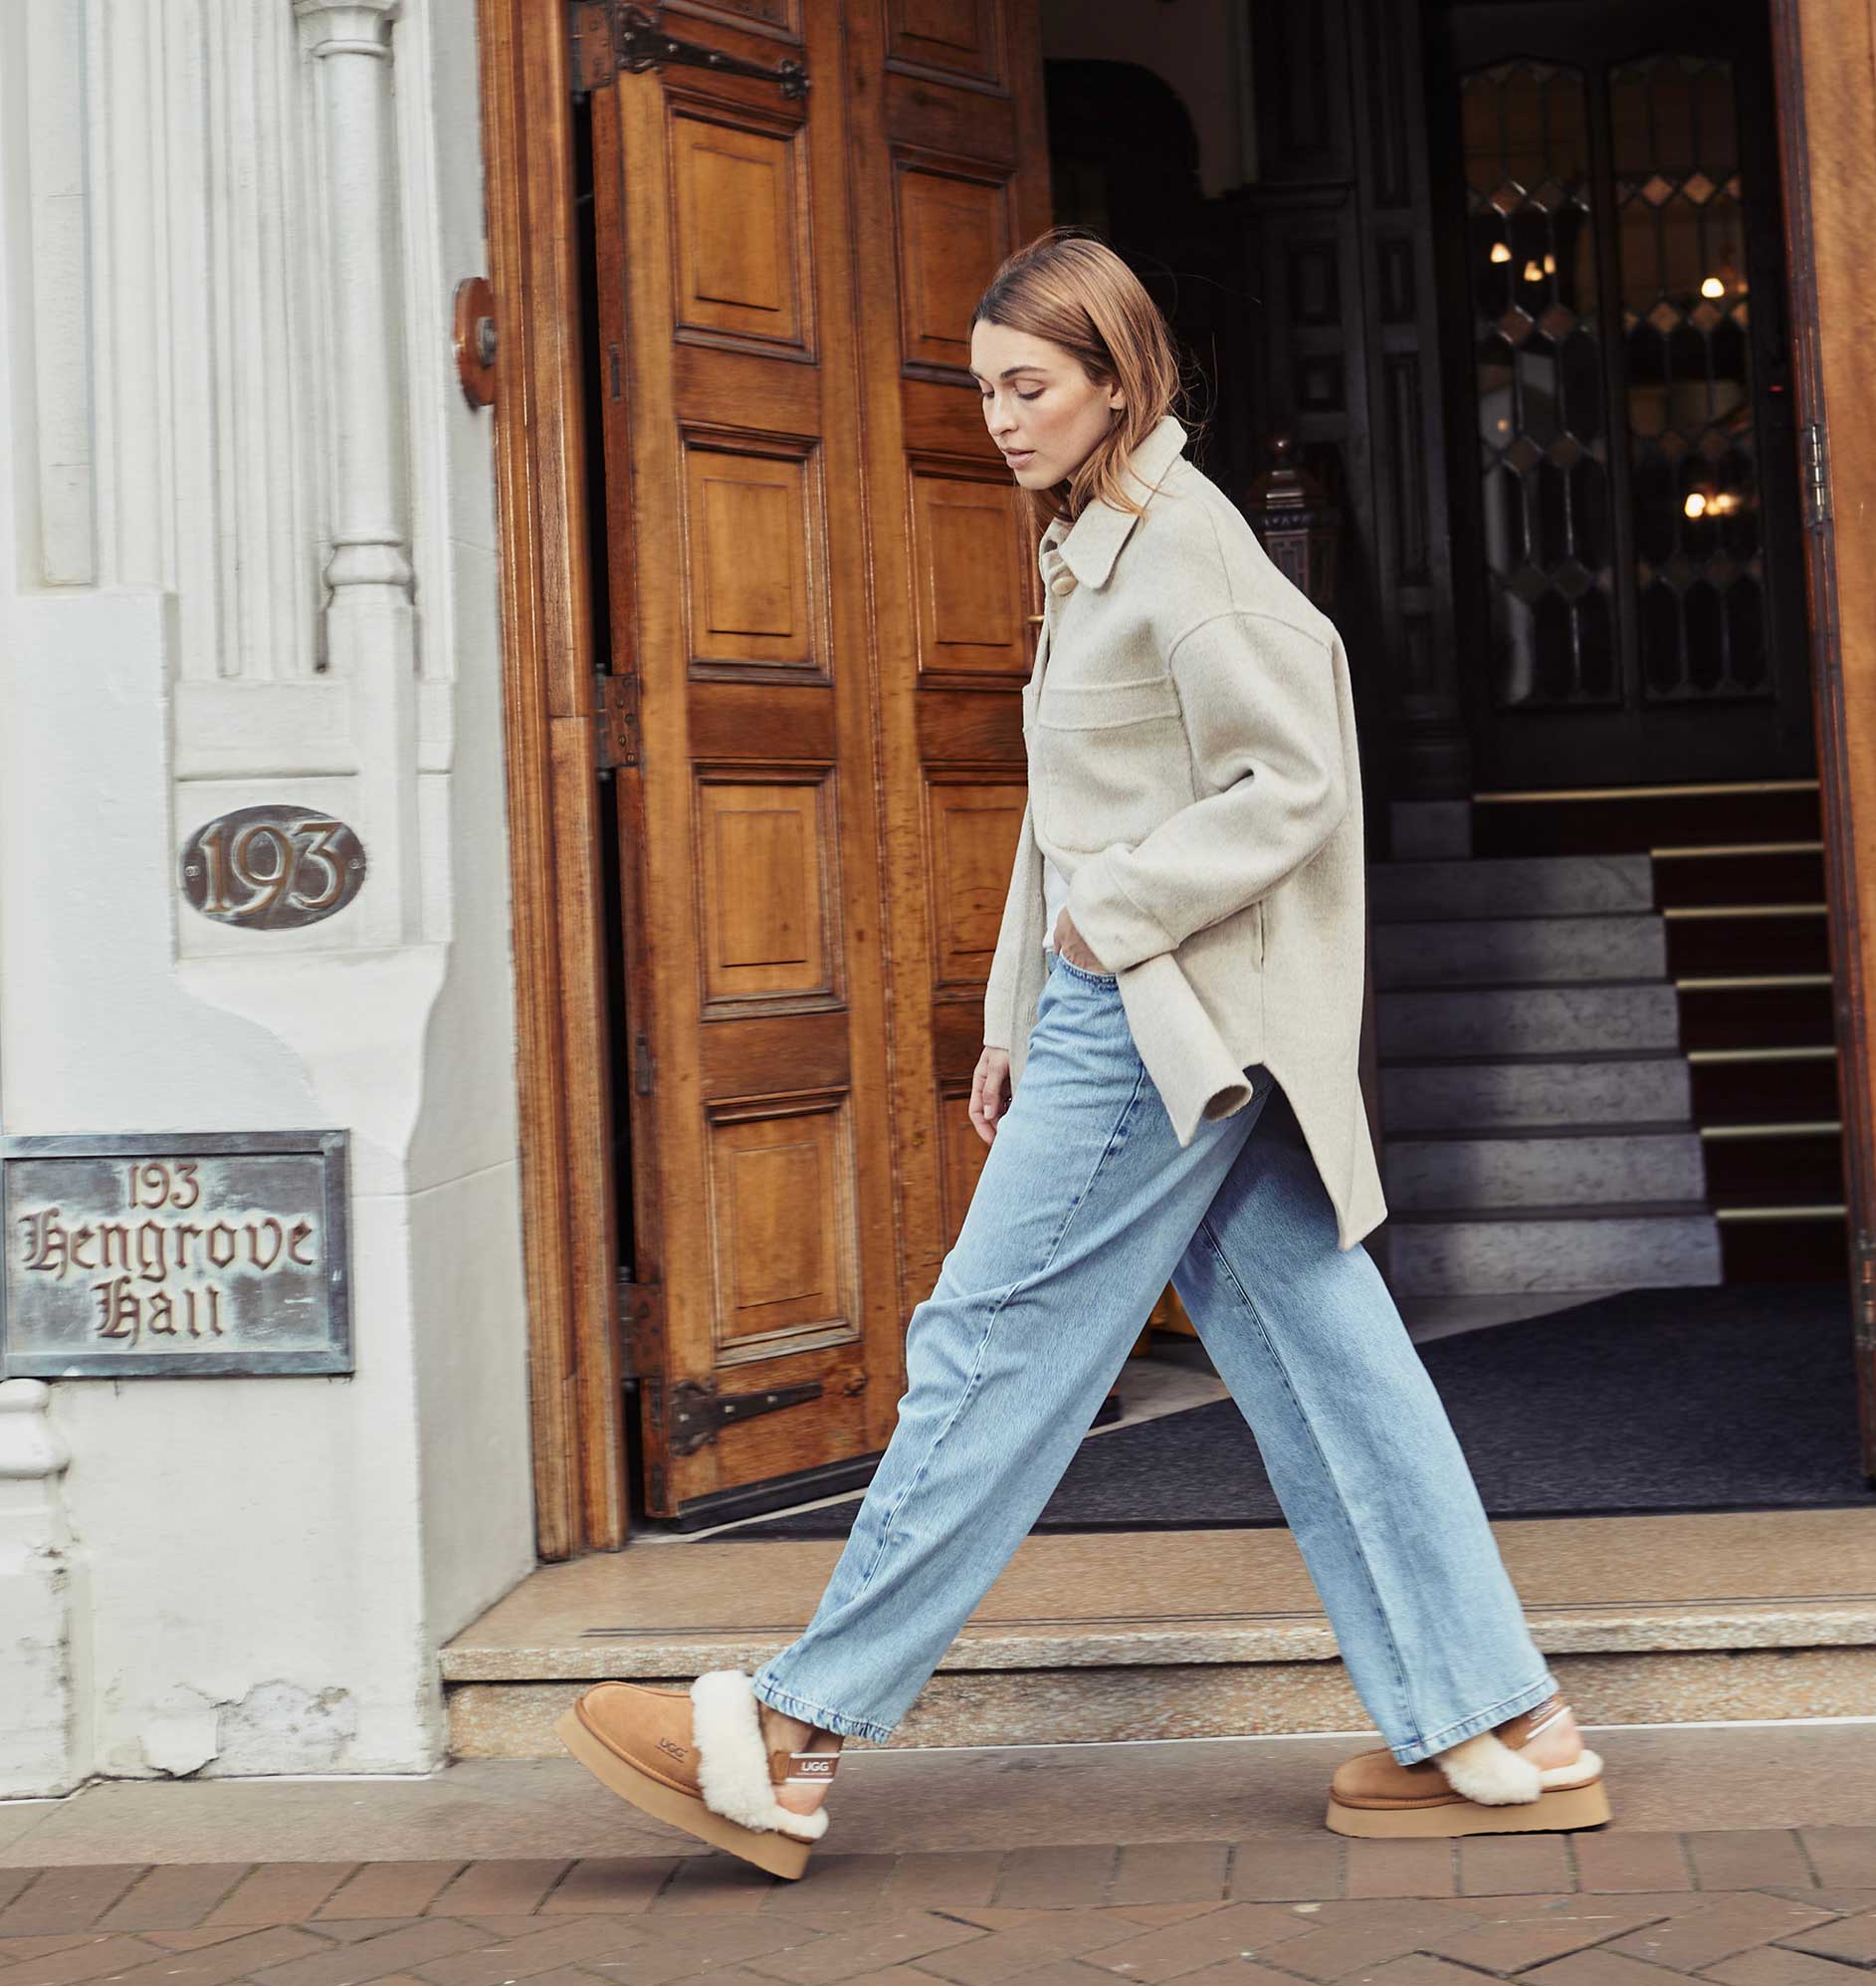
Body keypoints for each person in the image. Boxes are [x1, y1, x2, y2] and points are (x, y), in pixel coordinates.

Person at [555, 229, 1609, 1877]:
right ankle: (1505, 1725)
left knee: (988, 1342)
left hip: (1159, 1023)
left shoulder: (1186, 552)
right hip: (1133, 1010)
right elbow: (1070, 816)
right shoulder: (1092, 550)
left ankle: (789, 1735)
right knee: (1329, 1358)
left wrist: (1105, 932)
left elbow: (1295, 782)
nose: (999, 418)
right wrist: (1010, 1017)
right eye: (984, 389)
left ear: (1120, 381)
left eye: (1029, 386)